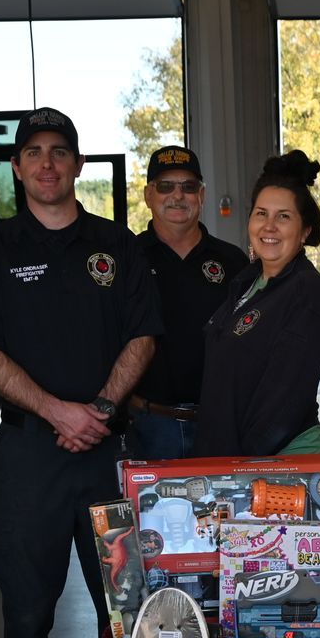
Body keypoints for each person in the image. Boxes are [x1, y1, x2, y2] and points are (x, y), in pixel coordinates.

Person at [0, 107, 161, 638]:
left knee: (125, 604)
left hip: (108, 452)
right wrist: (56, 411)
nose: (48, 164)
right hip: (28, 456)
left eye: (60, 152)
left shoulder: (117, 246)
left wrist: (97, 409)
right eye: (35, 153)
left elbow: (142, 336)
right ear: (18, 168)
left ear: (78, 164)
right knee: (25, 607)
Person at [192, 152, 320, 457]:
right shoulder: (246, 283)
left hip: (282, 461)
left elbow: (285, 398)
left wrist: (238, 466)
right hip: (238, 457)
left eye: (283, 216)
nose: (269, 226)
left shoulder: (306, 290)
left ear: (305, 230)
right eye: (261, 213)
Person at [127, 144, 248, 461]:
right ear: (148, 195)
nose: (177, 196)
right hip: (148, 426)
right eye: (165, 186)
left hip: (220, 425)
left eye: (188, 187)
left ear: (202, 195)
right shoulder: (127, 258)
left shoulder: (233, 261)